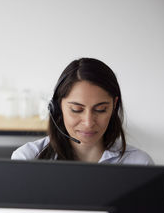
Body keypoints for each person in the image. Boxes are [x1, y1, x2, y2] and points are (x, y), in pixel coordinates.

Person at [11, 58, 154, 165]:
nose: (88, 122)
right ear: (57, 106)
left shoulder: (139, 163)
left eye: (100, 109)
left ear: (114, 106)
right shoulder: (26, 158)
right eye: (76, 110)